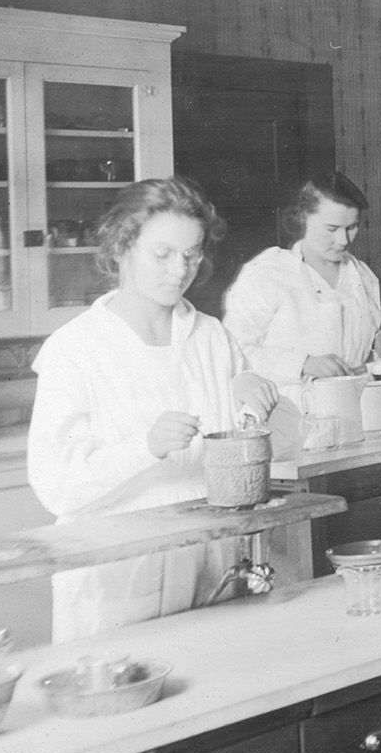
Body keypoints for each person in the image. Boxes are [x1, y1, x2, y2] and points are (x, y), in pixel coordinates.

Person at [27, 178, 278, 640]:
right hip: (120, 568)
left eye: (191, 255)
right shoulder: (76, 348)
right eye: (162, 254)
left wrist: (254, 396)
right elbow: (56, 485)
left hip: (211, 561)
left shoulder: (212, 337)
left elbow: (258, 449)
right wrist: (145, 447)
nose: (179, 270)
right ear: (122, 246)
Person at [222, 172, 381, 394]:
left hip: (356, 402)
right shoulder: (267, 274)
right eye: (331, 229)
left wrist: (376, 339)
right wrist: (303, 363)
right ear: (304, 218)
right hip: (288, 406)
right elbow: (233, 351)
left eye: (351, 227)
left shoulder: (362, 275)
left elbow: (351, 334)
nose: (343, 240)